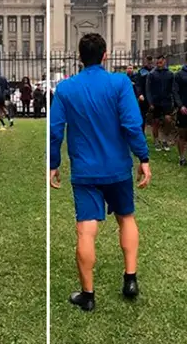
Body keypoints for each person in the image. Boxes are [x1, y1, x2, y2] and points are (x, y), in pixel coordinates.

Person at [50, 33, 151, 312]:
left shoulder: (67, 88)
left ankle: (88, 294)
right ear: (105, 55)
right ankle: (130, 278)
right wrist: (143, 156)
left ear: (79, 57)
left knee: (86, 230)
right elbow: (132, 124)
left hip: (85, 169)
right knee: (126, 218)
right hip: (118, 167)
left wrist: (53, 164)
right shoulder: (120, 83)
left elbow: (55, 130)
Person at [144, 55, 174, 152]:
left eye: (160, 63)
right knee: (155, 122)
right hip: (155, 101)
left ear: (164, 62)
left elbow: (173, 88)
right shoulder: (152, 74)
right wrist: (150, 102)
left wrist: (173, 101)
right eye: (157, 63)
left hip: (166, 101)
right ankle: (156, 141)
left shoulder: (170, 74)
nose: (159, 65)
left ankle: (165, 139)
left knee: (168, 120)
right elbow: (148, 89)